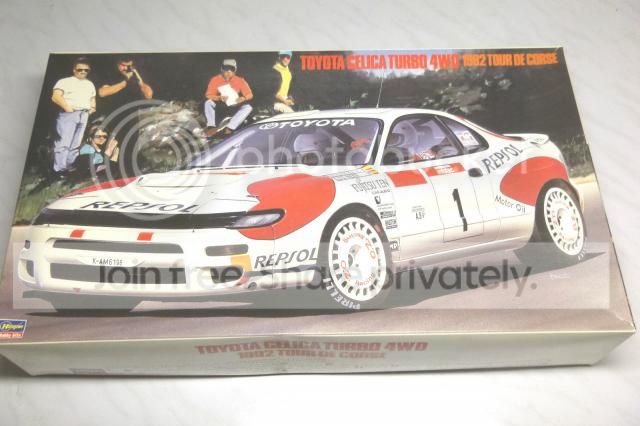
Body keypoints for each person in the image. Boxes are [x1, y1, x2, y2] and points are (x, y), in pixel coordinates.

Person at [97, 56, 153, 175]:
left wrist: (139, 79)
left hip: (132, 116)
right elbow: (102, 93)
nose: (126, 68)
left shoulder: (135, 77)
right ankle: (113, 170)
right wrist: (124, 83)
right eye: (123, 65)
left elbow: (148, 95)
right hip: (114, 115)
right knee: (115, 145)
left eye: (129, 66)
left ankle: (129, 171)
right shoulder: (111, 75)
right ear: (117, 64)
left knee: (131, 143)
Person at [50, 57, 96, 175]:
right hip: (69, 114)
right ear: (74, 70)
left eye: (86, 70)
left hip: (84, 114)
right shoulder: (64, 81)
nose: (83, 72)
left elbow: (92, 98)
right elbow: (55, 96)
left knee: (76, 144)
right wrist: (68, 108)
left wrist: (92, 108)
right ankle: (59, 170)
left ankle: (69, 167)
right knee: (63, 143)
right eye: (80, 69)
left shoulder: (89, 84)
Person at [204, 59, 253, 137]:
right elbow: (208, 95)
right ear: (221, 69)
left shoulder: (240, 80)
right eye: (226, 68)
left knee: (248, 107)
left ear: (235, 70)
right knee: (208, 103)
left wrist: (243, 98)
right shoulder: (215, 79)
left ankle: (229, 128)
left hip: (234, 105)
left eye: (232, 69)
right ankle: (211, 127)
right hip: (221, 105)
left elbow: (250, 94)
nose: (229, 71)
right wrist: (219, 98)